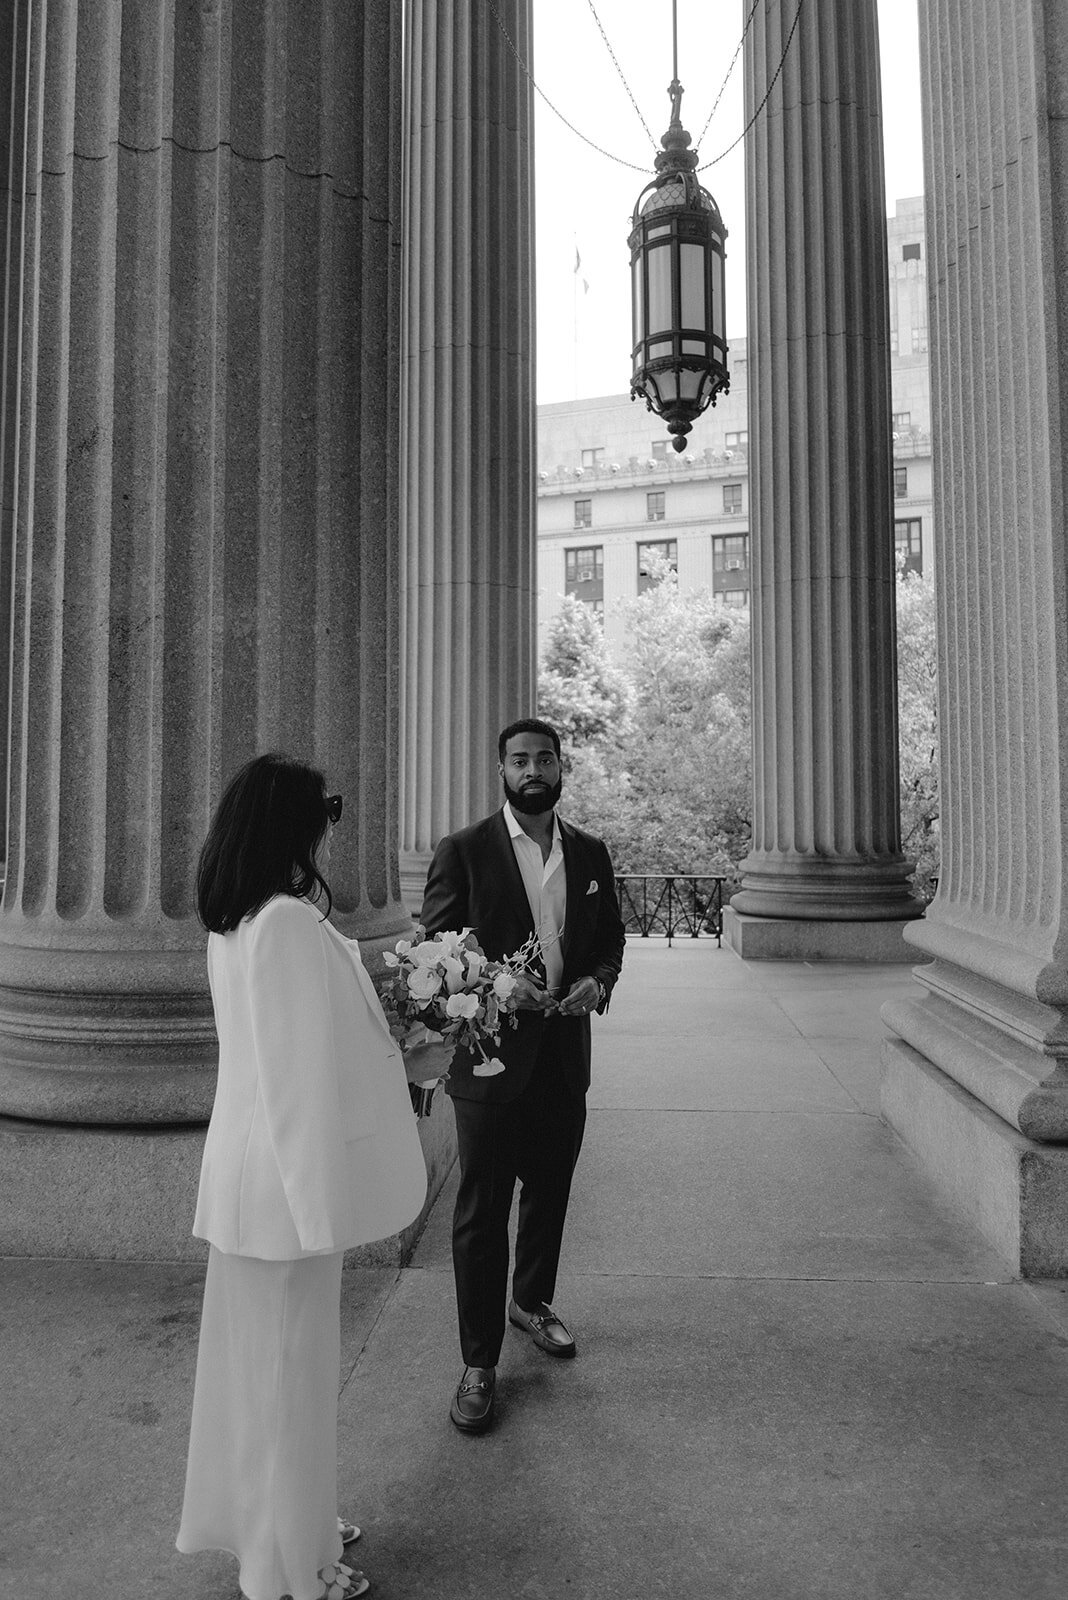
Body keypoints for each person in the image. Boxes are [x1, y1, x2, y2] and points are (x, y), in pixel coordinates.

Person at [177, 753, 448, 1600]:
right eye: (326, 807)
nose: (334, 820)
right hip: (283, 1188)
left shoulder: (239, 918)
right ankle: (291, 1566)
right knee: (286, 1378)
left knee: (261, 1373)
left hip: (252, 1178)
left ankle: (292, 1526)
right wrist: (319, 1205)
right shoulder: (286, 922)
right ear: (292, 823)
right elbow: (296, 1079)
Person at [420, 717, 625, 1433]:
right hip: (490, 1063)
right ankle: (478, 1364)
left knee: (549, 1192)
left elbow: (610, 944)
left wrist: (597, 983)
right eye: (519, 759)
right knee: (481, 1214)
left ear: (562, 767)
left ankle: (530, 1303)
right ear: (501, 770)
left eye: (544, 758)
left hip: (566, 1057)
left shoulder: (592, 853)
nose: (532, 769)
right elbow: (435, 959)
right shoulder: (464, 851)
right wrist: (501, 986)